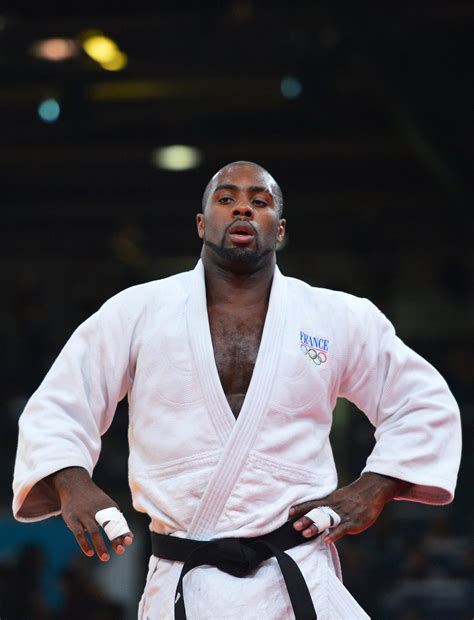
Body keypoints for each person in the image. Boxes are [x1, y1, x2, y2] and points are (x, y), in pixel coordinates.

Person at [13, 161, 462, 619]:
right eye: (226, 199)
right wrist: (72, 483)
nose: (243, 208)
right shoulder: (137, 311)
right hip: (184, 579)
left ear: (280, 228)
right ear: (202, 223)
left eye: (259, 202)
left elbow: (421, 402)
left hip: (298, 578)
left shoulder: (337, 317)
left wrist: (375, 486)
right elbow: (60, 405)